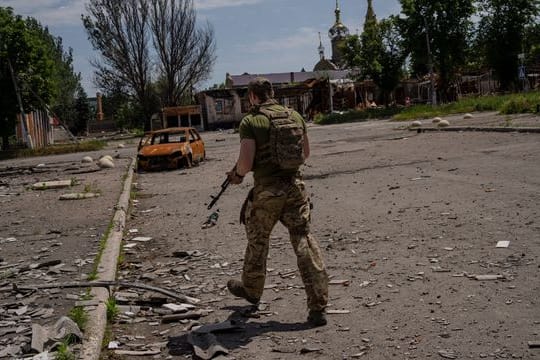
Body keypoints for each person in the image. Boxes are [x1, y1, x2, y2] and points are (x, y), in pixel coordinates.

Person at [225, 77, 329, 327]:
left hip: (268, 192)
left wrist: (237, 175)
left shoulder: (251, 121)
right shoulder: (294, 116)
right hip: (295, 188)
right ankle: (318, 306)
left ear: (252, 96)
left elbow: (246, 163)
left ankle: (252, 289)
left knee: (258, 239)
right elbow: (305, 154)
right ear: (272, 93)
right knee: (303, 238)